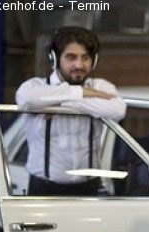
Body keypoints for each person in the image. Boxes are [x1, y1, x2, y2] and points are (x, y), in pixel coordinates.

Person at [16, 26, 126, 196]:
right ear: (54, 59)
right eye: (71, 57)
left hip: (88, 188)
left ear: (94, 60)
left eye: (85, 58)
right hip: (44, 190)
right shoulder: (36, 86)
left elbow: (118, 110)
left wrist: (60, 103)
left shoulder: (100, 86)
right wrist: (82, 93)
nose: (79, 65)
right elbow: (26, 100)